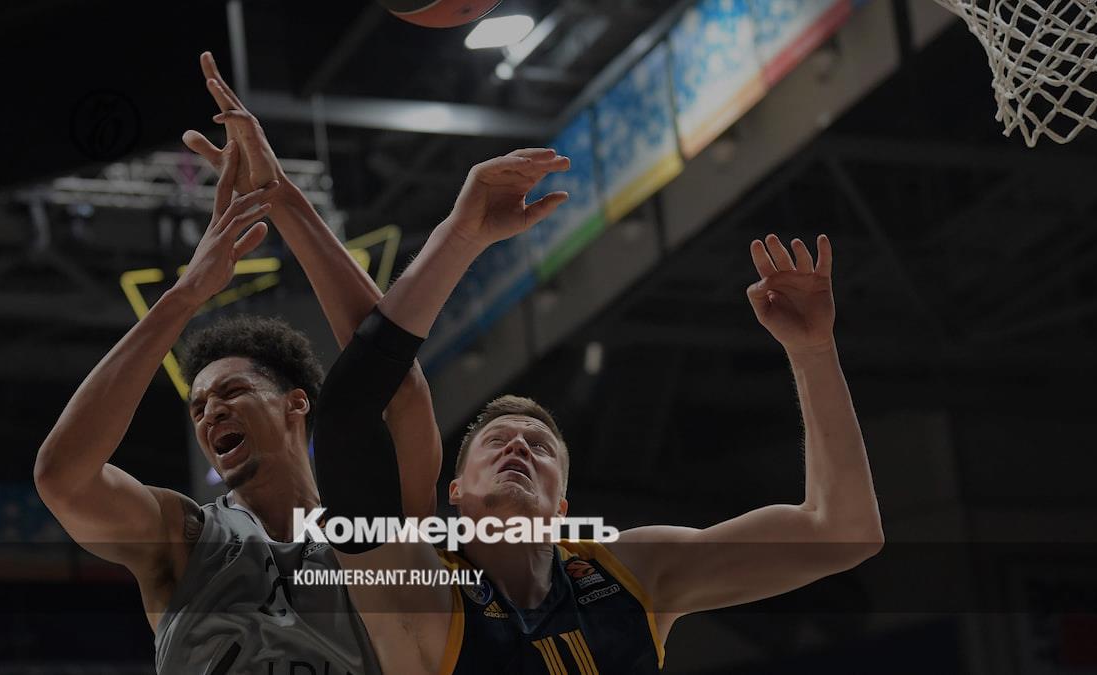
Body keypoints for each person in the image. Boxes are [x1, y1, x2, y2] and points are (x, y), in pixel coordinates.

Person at [312, 187, 885, 672]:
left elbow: (845, 531)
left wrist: (813, 352)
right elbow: (364, 403)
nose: (519, 445)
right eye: (497, 442)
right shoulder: (420, 588)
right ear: (455, 493)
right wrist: (292, 201)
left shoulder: (631, 574)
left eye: (540, 447)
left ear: (562, 506)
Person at [33, 52, 443, 673]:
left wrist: (284, 200)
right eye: (198, 406)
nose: (209, 413)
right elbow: (63, 476)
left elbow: (393, 373)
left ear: (296, 403)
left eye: (231, 392)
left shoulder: (374, 532)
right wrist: (184, 296)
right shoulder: (184, 539)